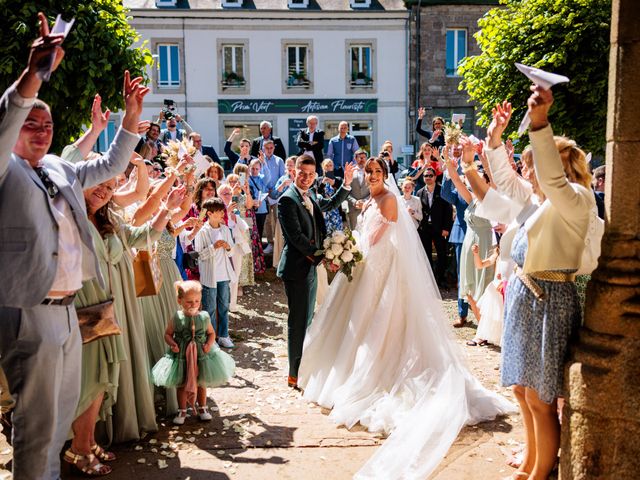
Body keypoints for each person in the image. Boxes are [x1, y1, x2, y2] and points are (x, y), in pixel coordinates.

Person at [297, 156, 515, 480]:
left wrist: (350, 253)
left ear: (386, 175)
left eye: (377, 172)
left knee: (378, 323)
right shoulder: (370, 199)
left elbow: (375, 241)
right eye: (369, 172)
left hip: (380, 269)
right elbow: (363, 234)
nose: (372, 176)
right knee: (353, 321)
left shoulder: (388, 201)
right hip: (365, 265)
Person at [0, 15, 147, 480]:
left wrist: (129, 120)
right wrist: (34, 75)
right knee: (36, 426)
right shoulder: (5, 168)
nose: (42, 130)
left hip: (71, 311)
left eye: (48, 124)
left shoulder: (61, 170)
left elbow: (112, 164)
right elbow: (8, 120)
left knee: (60, 421)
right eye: (32, 122)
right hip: (30, 309)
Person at [488, 88, 594, 480]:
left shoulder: (577, 198)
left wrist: (539, 121)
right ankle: (533, 461)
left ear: (567, 171)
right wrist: (495, 139)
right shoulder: (540, 201)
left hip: (550, 299)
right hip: (526, 296)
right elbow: (505, 179)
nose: (536, 173)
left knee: (541, 396)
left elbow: (549, 176)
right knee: (522, 390)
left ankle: (541, 473)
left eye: (550, 167)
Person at [276, 156, 355, 388]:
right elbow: (296, 238)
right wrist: (324, 257)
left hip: (309, 267)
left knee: (308, 319)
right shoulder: (286, 200)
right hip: (296, 269)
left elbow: (329, 204)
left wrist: (346, 184)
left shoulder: (310, 195)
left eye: (311, 174)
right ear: (294, 172)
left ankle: (304, 368)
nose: (306, 178)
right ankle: (294, 374)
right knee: (298, 322)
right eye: (302, 173)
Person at [152, 280, 235, 425]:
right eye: (189, 301)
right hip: (182, 356)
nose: (193, 304)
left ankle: (202, 408)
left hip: (201, 355)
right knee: (182, 383)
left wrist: (209, 344)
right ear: (180, 300)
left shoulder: (204, 317)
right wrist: (172, 344)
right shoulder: (177, 317)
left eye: (197, 301)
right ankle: (182, 410)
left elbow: (211, 333)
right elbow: (167, 334)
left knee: (201, 382)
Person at [194, 198, 237, 349]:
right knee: (210, 308)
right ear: (210, 214)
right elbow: (200, 255)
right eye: (219, 212)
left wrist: (226, 247)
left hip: (224, 274)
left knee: (224, 306)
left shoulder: (225, 229)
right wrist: (214, 247)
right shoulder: (202, 232)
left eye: (222, 211)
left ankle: (223, 335)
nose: (222, 214)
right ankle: (210, 339)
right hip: (209, 276)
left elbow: (232, 250)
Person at [416, 167, 453, 287]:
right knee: (426, 255)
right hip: (425, 228)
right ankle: (430, 281)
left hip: (440, 228)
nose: (428, 178)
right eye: (426, 176)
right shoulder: (419, 192)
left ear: (435, 177)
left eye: (430, 175)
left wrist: (446, 228)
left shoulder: (442, 191)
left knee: (442, 254)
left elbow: (448, 211)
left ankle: (441, 278)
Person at [317, 159, 344, 235]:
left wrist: (334, 184)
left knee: (337, 235)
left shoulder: (338, 179)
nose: (328, 167)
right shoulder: (319, 180)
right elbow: (316, 194)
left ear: (333, 167)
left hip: (336, 211)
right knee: (325, 234)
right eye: (326, 165)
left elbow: (342, 194)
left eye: (330, 165)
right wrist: (322, 184)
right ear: (323, 167)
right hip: (323, 212)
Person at [345, 149, 370, 230]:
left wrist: (365, 201)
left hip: (368, 208)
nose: (362, 159)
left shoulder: (371, 172)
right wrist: (354, 202)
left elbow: (374, 190)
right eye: (360, 157)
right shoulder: (350, 171)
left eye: (364, 157)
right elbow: (345, 190)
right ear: (355, 159)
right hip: (353, 209)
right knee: (355, 234)